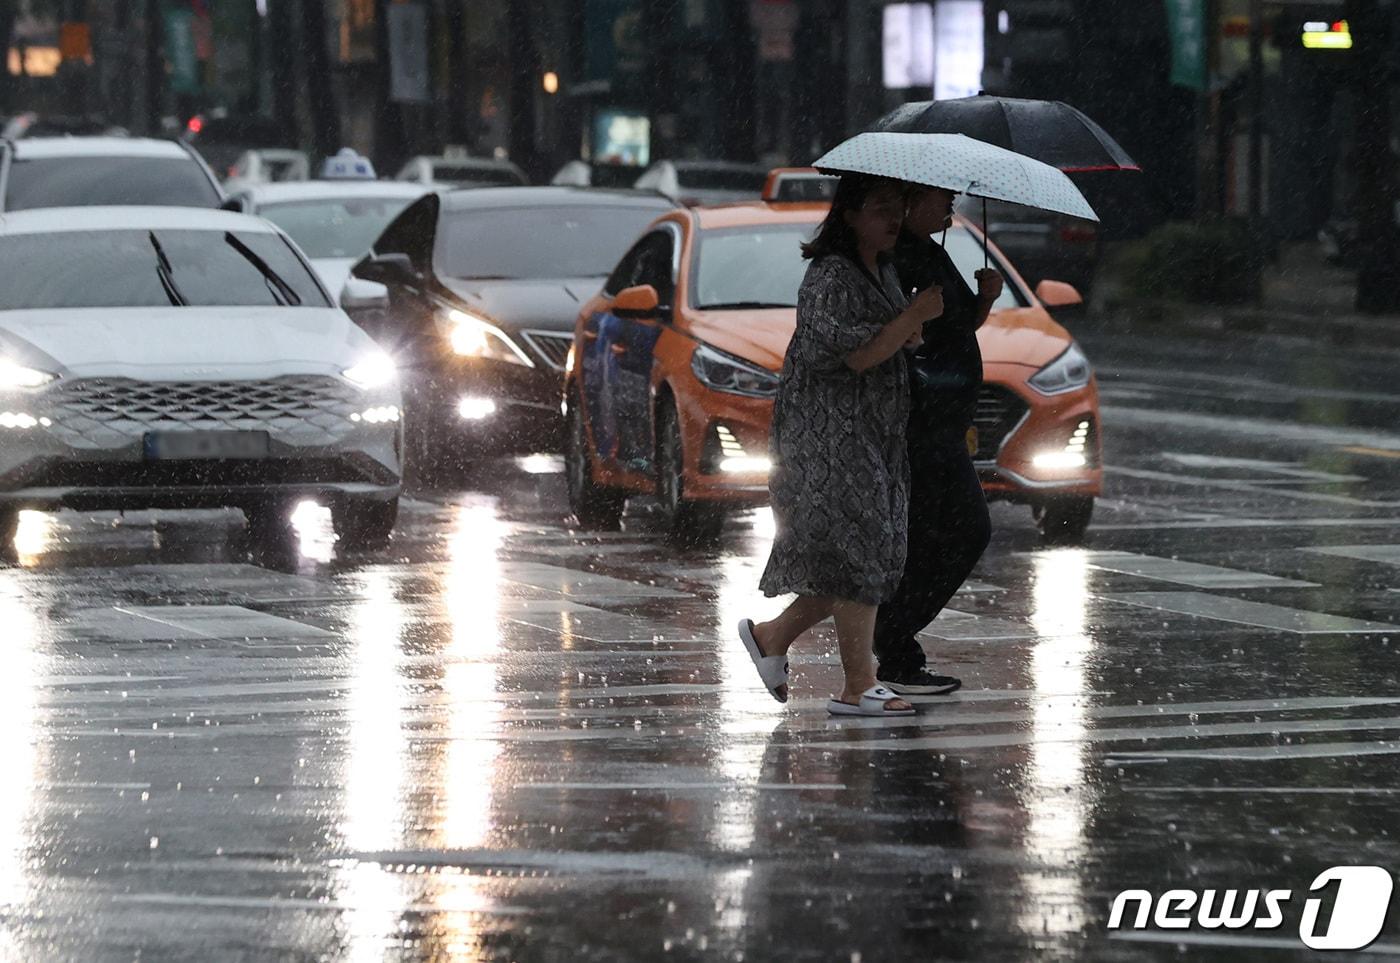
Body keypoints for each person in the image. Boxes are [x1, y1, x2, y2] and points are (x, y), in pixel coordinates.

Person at [737, 174, 945, 716]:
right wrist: (912, 319)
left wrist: (915, 323)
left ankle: (772, 638)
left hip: (873, 434)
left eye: (898, 208)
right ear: (849, 214)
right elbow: (855, 355)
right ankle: (858, 686)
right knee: (862, 550)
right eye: (881, 209)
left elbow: (894, 337)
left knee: (856, 557)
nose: (894, 219)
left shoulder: (882, 269)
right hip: (829, 438)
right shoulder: (829, 276)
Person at [873, 186, 1004, 695]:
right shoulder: (895, 259)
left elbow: (956, 324)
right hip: (921, 422)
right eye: (940, 196)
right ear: (907, 202)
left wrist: (985, 300)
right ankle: (893, 638)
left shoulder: (932, 251)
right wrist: (914, 319)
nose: (950, 203)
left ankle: (898, 649)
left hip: (945, 418)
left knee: (931, 535)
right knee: (965, 530)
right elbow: (900, 335)